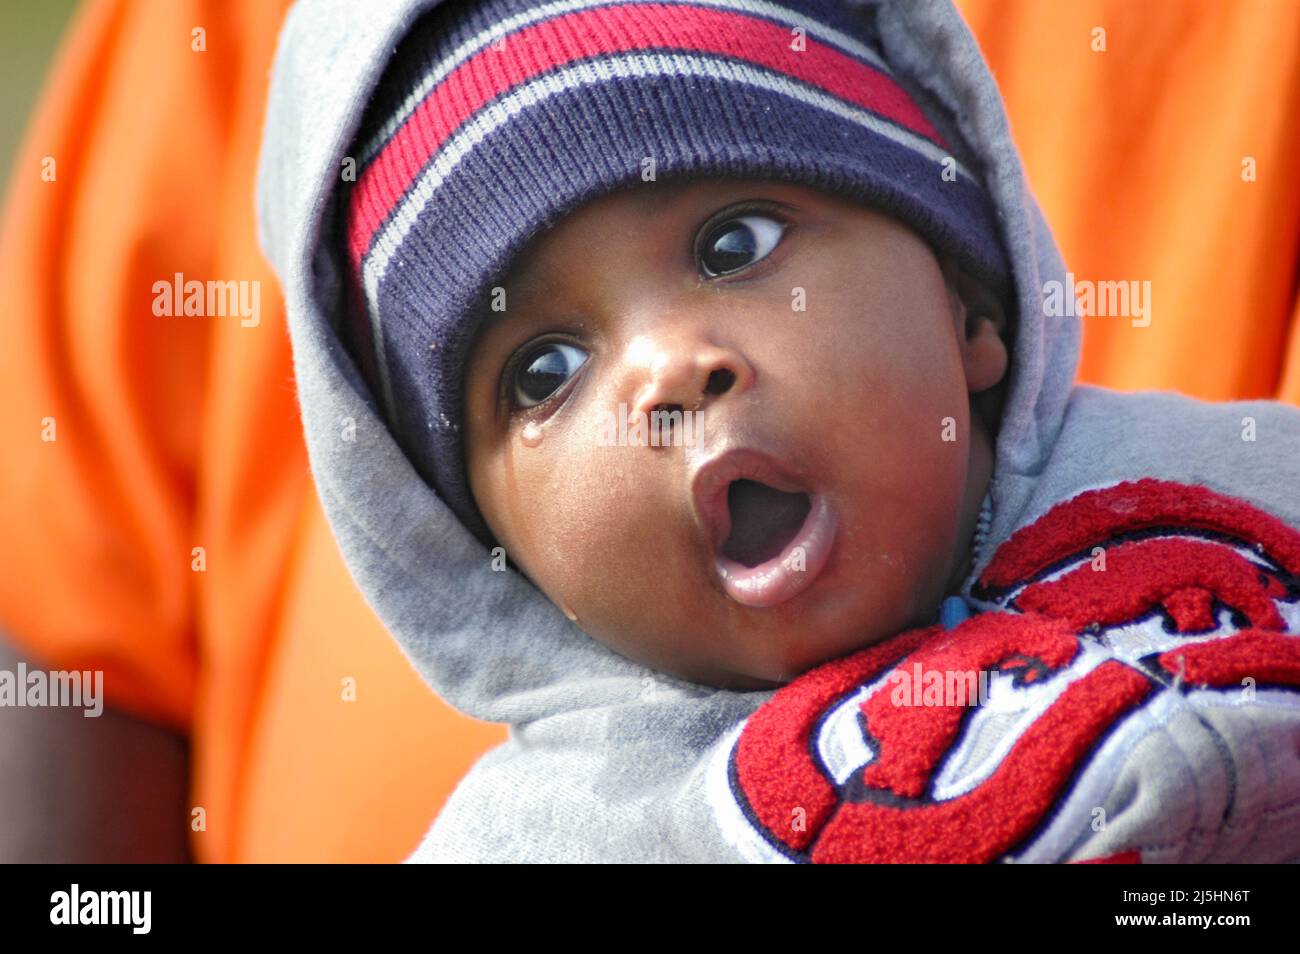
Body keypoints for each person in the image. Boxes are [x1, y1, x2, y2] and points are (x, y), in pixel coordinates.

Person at [256, 0, 1300, 862]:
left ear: (969, 312)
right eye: (543, 372)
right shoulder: (565, 835)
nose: (669, 368)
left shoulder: (1246, 483)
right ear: (501, 557)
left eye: (733, 244)